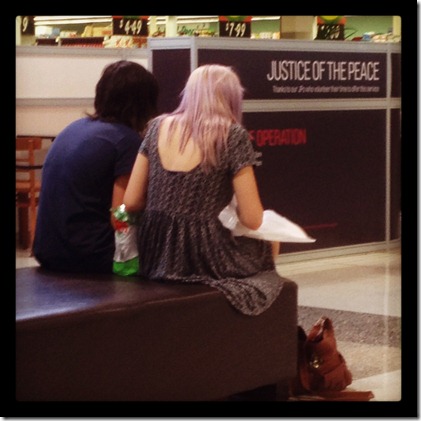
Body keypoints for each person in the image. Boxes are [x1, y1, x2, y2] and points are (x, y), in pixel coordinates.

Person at [123, 64, 284, 316]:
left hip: (154, 250)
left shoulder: (155, 127)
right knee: (270, 243)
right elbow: (252, 218)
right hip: (203, 253)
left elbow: (131, 201)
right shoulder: (233, 135)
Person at [33, 60, 159, 273]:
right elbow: (121, 215)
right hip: (91, 255)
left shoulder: (72, 129)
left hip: (46, 250)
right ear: (144, 102)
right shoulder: (126, 141)